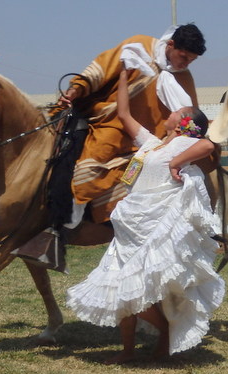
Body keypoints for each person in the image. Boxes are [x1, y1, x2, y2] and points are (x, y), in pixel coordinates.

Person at [66, 67, 225, 364]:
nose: (169, 111)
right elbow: (124, 115)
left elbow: (209, 144)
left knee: (131, 290)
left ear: (183, 123)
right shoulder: (152, 144)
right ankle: (127, 351)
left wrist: (177, 161)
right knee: (118, 287)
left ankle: (164, 333)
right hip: (129, 227)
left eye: (176, 111)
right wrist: (123, 79)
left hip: (153, 229)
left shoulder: (184, 143)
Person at [55, 23, 208, 224]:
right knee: (92, 163)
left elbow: (193, 118)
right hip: (113, 124)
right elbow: (106, 78)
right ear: (171, 44)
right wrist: (77, 89)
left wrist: (175, 155)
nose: (186, 64)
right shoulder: (139, 47)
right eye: (184, 57)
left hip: (156, 140)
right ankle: (76, 209)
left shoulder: (183, 77)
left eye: (192, 60)